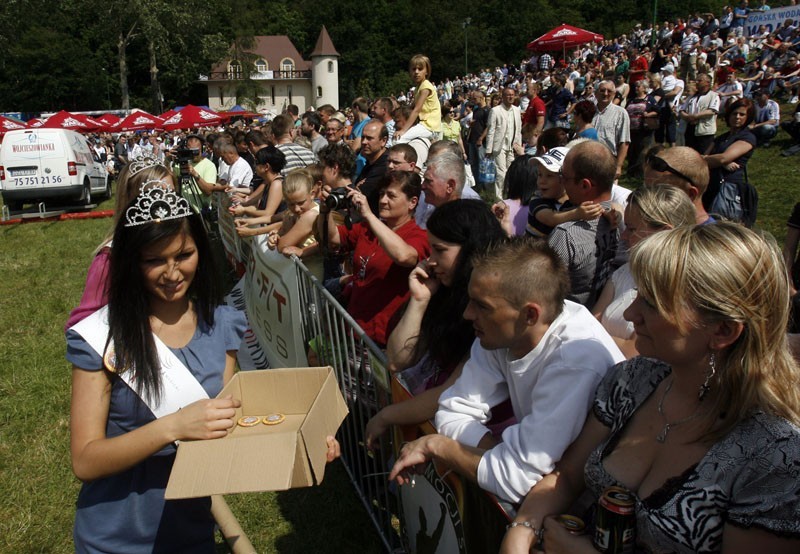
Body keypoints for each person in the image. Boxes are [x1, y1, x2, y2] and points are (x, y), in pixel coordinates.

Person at [501, 222, 800, 554]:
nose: (630, 314)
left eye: (653, 303)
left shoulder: (776, 458)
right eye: (637, 296)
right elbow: (568, 477)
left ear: (723, 331)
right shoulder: (633, 380)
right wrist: (522, 528)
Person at [67, 183, 249, 552]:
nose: (172, 273)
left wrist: (300, 439)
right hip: (114, 537)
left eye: (184, 255)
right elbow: (85, 459)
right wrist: (174, 427)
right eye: (154, 260)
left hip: (191, 530)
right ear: (133, 263)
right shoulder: (103, 337)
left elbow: (229, 422)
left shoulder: (223, 325)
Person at [388, 238, 624, 504]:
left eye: (482, 305)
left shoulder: (575, 361)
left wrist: (439, 446)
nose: (467, 314)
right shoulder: (504, 332)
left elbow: (515, 480)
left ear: (530, 315)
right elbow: (453, 410)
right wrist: (496, 456)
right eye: (470, 301)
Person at [365, 200, 507, 448]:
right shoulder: (443, 291)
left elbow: (451, 391)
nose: (430, 261)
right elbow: (397, 359)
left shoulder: (492, 310)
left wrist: (386, 416)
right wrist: (419, 301)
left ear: (471, 249)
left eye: (440, 250)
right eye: (430, 250)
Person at [318, 170, 430, 346]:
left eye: (391, 196)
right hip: (354, 329)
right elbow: (333, 238)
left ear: (412, 202)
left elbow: (404, 256)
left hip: (384, 340)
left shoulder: (419, 236)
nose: (383, 201)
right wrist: (325, 211)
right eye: (381, 194)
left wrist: (369, 215)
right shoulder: (367, 228)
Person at [65, 158, 176, 330]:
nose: (164, 204)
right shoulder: (110, 259)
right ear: (130, 201)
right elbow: (83, 323)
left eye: (171, 194)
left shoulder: (182, 246)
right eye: (154, 196)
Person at [593, 185, 696, 358]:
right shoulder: (626, 271)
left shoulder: (680, 288)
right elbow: (592, 321)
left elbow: (633, 350)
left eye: (632, 229)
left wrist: (592, 337)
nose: (624, 236)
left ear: (664, 233)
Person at [525, 147, 604, 239]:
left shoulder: (573, 201)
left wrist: (604, 215)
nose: (542, 181)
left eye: (549, 176)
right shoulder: (537, 200)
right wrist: (577, 214)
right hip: (533, 250)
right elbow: (551, 219)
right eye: (540, 175)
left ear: (565, 179)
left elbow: (593, 208)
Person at [702, 97, 757, 223]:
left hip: (728, 188)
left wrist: (722, 161)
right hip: (709, 185)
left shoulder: (748, 137)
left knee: (722, 225)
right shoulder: (722, 137)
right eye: (734, 113)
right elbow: (702, 158)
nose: (737, 117)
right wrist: (722, 162)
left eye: (742, 114)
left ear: (748, 117)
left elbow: (723, 157)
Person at [269, 168, 323, 281]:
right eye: (291, 204)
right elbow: (281, 236)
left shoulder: (310, 216)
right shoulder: (296, 214)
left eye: (301, 203)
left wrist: (281, 238)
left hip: (313, 272)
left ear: (312, 194)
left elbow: (282, 246)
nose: (296, 209)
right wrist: (275, 237)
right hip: (301, 271)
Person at [486, 87, 523, 199]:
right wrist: (489, 149)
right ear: (503, 97)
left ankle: (509, 195)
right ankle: (499, 198)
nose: (511, 97)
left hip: (512, 145)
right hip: (499, 146)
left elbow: (519, 129)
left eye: (512, 95)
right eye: (508, 95)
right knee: (501, 173)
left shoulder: (516, 110)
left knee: (511, 172)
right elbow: (491, 130)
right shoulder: (495, 110)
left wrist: (519, 146)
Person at [394, 54, 441, 141]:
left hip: (429, 126)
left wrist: (403, 130)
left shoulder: (425, 87)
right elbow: (411, 107)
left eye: (420, 69)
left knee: (399, 139)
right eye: (413, 69)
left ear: (427, 71)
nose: (416, 72)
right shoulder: (417, 88)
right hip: (426, 125)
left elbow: (416, 110)